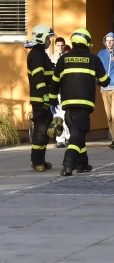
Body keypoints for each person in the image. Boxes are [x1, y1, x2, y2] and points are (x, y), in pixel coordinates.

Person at [49, 28, 110, 176]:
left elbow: (55, 82)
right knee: (77, 135)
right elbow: (104, 81)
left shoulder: (63, 59)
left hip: (67, 105)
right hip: (84, 104)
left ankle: (82, 164)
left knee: (78, 134)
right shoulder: (93, 59)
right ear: (87, 42)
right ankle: (68, 164)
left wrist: (52, 100)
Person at [24, 25, 56, 172]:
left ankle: (39, 159)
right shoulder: (36, 55)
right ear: (41, 38)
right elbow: (38, 78)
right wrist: (45, 96)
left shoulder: (41, 54)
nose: (50, 41)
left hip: (45, 98)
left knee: (44, 131)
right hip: (40, 99)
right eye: (48, 38)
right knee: (40, 130)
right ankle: (37, 162)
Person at [48, 37, 71, 148]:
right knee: (57, 116)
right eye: (58, 46)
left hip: (66, 90)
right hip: (56, 90)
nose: (60, 47)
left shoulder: (68, 57)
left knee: (66, 115)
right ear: (55, 46)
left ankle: (68, 138)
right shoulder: (51, 59)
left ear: (65, 46)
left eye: (62, 45)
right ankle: (60, 139)